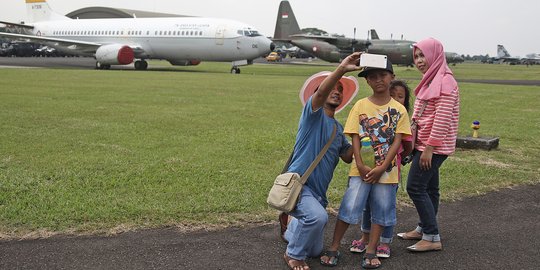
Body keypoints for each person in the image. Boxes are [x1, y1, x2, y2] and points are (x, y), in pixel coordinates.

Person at [320, 60, 411, 269]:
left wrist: (382, 167)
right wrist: (359, 164)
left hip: (387, 173)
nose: (378, 80)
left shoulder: (399, 110)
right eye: (372, 76)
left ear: (392, 76)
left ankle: (371, 249)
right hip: (359, 170)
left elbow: (397, 141)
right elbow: (355, 137)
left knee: (381, 210)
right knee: (349, 207)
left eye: (383, 75)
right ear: (367, 80)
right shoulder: (361, 105)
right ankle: (334, 246)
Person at [281, 52, 361, 270]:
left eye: (340, 91)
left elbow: (346, 157)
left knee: (315, 250)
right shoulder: (312, 115)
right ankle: (293, 255)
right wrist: (341, 70)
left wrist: (362, 136)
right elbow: (321, 93)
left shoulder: (337, 128)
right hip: (300, 185)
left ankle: (291, 225)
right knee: (317, 218)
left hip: (318, 193)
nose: (336, 92)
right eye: (331, 88)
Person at [397, 37, 460, 252]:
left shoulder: (445, 81)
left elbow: (442, 118)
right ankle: (424, 228)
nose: (419, 60)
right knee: (431, 189)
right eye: (416, 56)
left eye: (423, 55)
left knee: (415, 187)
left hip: (433, 146)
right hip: (425, 143)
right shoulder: (432, 79)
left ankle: (432, 237)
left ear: (435, 55)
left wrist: (430, 148)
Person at [347, 80, 413, 259]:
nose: (396, 99)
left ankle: (385, 241)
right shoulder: (370, 110)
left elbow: (408, 145)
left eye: (401, 96)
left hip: (390, 171)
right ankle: (365, 237)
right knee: (368, 206)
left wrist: (401, 157)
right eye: (393, 95)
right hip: (369, 169)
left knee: (386, 206)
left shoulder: (400, 116)